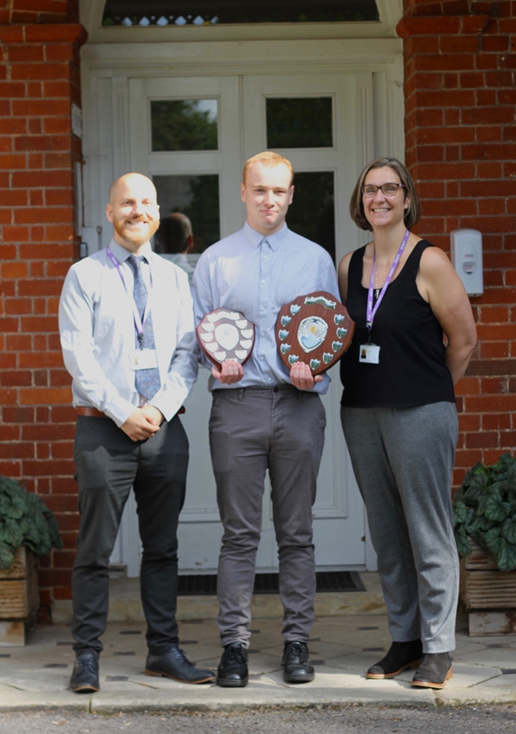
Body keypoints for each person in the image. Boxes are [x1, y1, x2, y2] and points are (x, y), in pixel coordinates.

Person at [59, 173, 215, 693]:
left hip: (164, 432)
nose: (137, 210)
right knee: (95, 550)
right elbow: (79, 359)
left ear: (156, 212)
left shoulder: (174, 279)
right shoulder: (84, 276)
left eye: (146, 202)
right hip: (103, 431)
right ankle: (86, 656)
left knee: (163, 548)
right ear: (110, 212)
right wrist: (125, 410)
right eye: (127, 202)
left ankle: (163, 651)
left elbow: (187, 353)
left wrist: (163, 407)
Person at [191, 151, 339, 688]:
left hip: (299, 407)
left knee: (297, 532)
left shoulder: (316, 258)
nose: (269, 200)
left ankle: (297, 643)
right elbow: (199, 333)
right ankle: (235, 647)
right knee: (239, 535)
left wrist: (313, 370)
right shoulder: (215, 260)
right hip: (237, 407)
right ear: (243, 191)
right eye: (259, 190)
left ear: (292, 194)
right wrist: (216, 362)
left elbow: (325, 331)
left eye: (278, 191)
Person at [338, 157, 477, 690]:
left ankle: (438, 646)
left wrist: (432, 392)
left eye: (389, 189)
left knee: (427, 527)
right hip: (362, 411)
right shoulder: (350, 265)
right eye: (371, 190)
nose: (380, 198)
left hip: (420, 412)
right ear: (361, 200)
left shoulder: (430, 261)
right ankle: (406, 638)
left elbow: (463, 341)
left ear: (406, 197)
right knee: (388, 532)